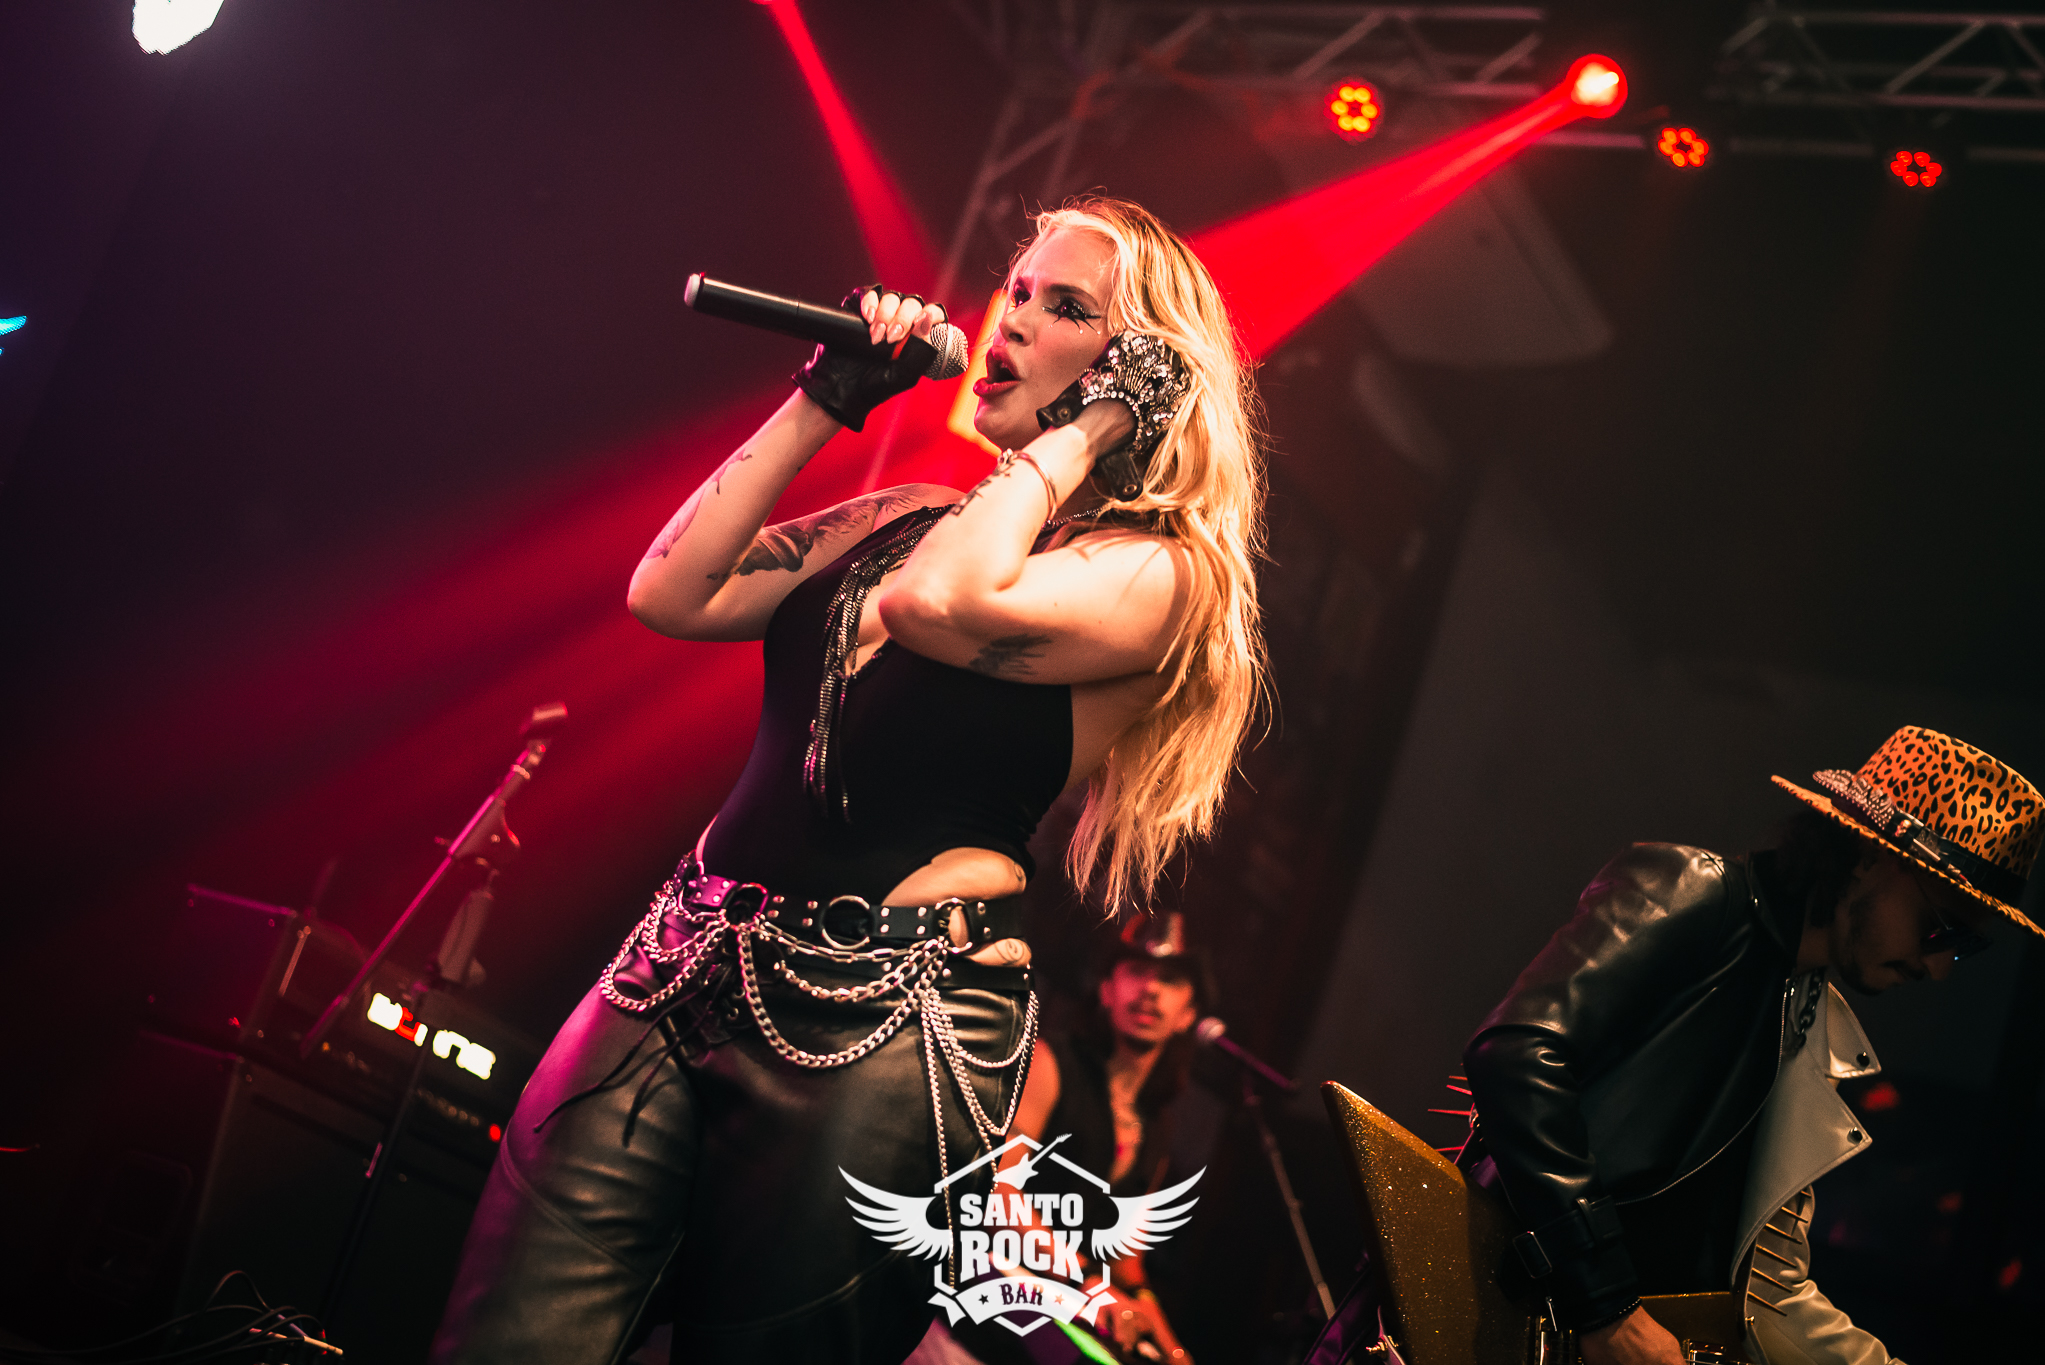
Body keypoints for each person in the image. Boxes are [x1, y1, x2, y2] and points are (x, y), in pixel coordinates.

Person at [430, 195, 1267, 1364]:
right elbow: (670, 592)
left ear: (1144, 370)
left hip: (886, 1020)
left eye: (1065, 308)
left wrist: (1094, 426)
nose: (1011, 321)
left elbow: (935, 605)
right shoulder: (913, 517)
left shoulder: (1157, 576)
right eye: (1016, 292)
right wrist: (823, 398)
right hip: (679, 963)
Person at [1461, 726, 2043, 1365]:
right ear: (1869, 856)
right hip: (1485, 1319)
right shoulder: (1696, 890)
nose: (1939, 968)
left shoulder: (1807, 1015)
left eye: (1963, 948)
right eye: (1940, 929)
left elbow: (1769, 1288)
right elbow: (1515, 1052)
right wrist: (1608, 1309)